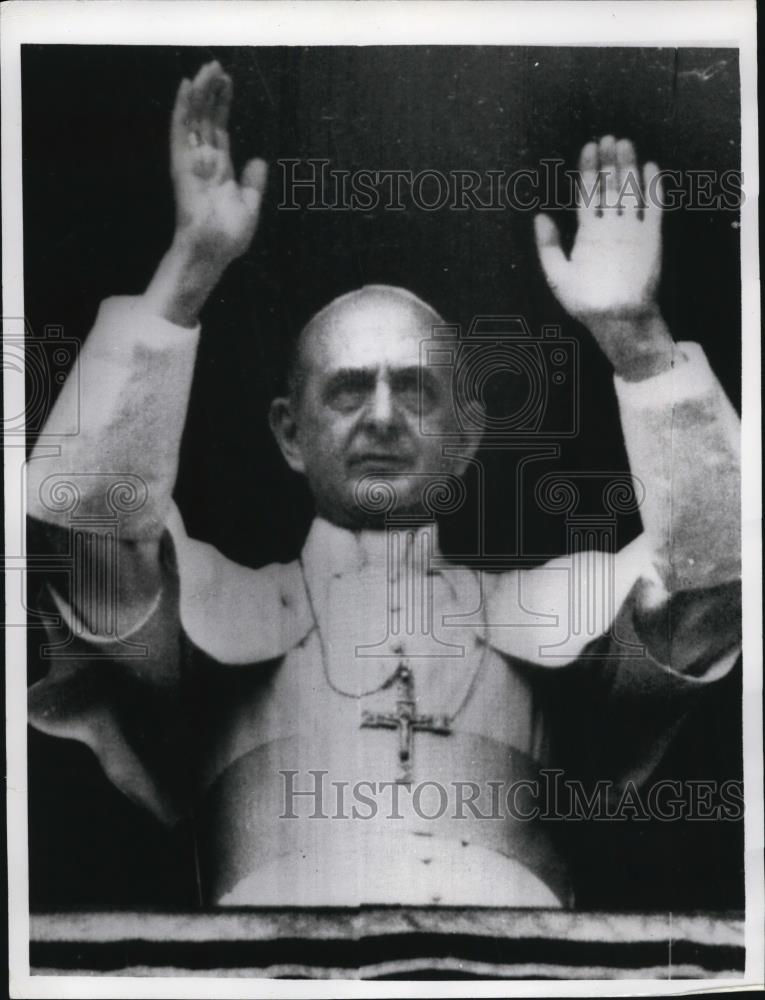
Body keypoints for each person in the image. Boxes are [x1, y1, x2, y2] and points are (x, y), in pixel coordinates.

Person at [27, 61, 741, 907]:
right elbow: (83, 531)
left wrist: (637, 341)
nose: (380, 415)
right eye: (345, 388)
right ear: (290, 435)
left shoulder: (560, 610)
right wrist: (186, 278)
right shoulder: (216, 603)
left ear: (467, 434)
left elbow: (719, 580)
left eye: (414, 388)